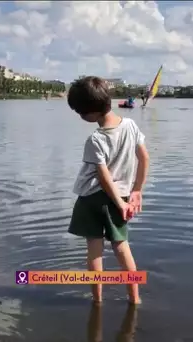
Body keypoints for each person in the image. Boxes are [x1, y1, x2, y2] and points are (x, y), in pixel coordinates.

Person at [67, 76, 150, 304]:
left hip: (92, 199)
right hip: (119, 198)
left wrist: (121, 201)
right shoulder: (131, 126)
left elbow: (103, 177)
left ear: (91, 111)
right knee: (122, 247)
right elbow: (144, 158)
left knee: (94, 251)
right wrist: (136, 190)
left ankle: (97, 300)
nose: (81, 117)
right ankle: (135, 298)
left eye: (80, 112)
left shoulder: (96, 139)